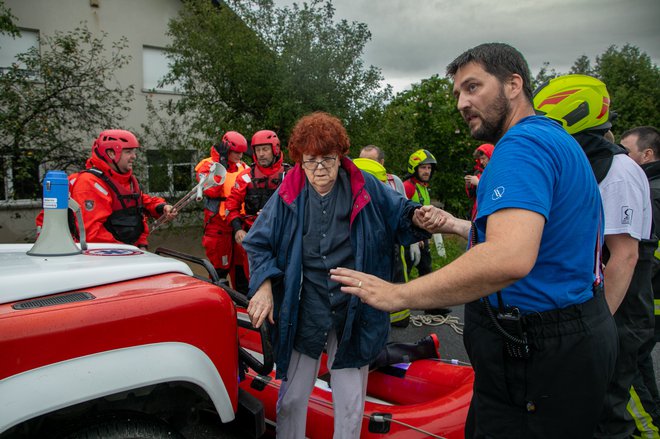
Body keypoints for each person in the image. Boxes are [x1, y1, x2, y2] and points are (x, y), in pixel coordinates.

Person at [330, 43, 618, 438]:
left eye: (473, 87)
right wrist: (457, 225)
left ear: (514, 84)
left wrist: (397, 295)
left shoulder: (520, 146)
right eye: (458, 94)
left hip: (538, 350)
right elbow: (540, 239)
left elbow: (508, 257)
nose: (462, 103)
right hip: (573, 340)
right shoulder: (554, 137)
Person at [242, 111, 443, 439]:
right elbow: (257, 243)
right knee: (292, 398)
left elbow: (402, 215)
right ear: (299, 160)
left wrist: (422, 217)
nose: (319, 169)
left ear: (341, 156)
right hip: (305, 304)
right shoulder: (289, 192)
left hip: (354, 306)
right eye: (311, 161)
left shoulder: (365, 187)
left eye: (328, 160)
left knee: (350, 402)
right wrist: (263, 287)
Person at [534, 75, 655, 439]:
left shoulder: (618, 171)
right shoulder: (590, 165)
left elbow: (625, 256)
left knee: (616, 412)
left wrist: (596, 326)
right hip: (592, 309)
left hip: (618, 313)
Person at [38, 129, 176, 250]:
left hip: (122, 253)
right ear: (111, 153)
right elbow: (93, 235)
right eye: (128, 152)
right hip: (99, 258)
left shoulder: (123, 181)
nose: (134, 156)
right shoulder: (89, 185)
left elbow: (138, 202)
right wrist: (130, 252)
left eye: (134, 151)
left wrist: (160, 207)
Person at [620, 125, 660, 434]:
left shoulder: (651, 192)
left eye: (626, 151)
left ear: (646, 155)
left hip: (644, 299)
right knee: (641, 371)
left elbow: (640, 252)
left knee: (627, 379)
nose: (620, 157)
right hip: (647, 300)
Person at [225, 130, 289, 293]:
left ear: (275, 149)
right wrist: (238, 229)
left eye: (265, 149)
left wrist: (275, 215)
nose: (261, 154)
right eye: (258, 150)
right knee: (255, 282)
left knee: (285, 281)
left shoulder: (289, 175)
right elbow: (231, 206)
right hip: (255, 239)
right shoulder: (246, 177)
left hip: (283, 237)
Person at [358, 145, 411, 327]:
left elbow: (404, 207)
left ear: (381, 163)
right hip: (366, 237)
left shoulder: (394, 181)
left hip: (391, 237)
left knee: (396, 273)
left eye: (371, 162)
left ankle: (399, 317)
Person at [195, 131, 249, 284]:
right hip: (218, 227)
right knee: (220, 271)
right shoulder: (207, 166)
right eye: (236, 152)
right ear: (227, 150)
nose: (240, 156)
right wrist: (222, 165)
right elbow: (211, 189)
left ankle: (242, 303)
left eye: (241, 153)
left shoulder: (243, 167)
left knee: (242, 270)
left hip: (238, 222)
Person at [464, 143, 494, 220]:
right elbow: (472, 195)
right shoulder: (478, 172)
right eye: (480, 159)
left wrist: (478, 183)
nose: (481, 162)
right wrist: (469, 186)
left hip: (489, 212)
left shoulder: (496, 172)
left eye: (483, 158)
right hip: (477, 212)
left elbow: (494, 192)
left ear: (490, 157)